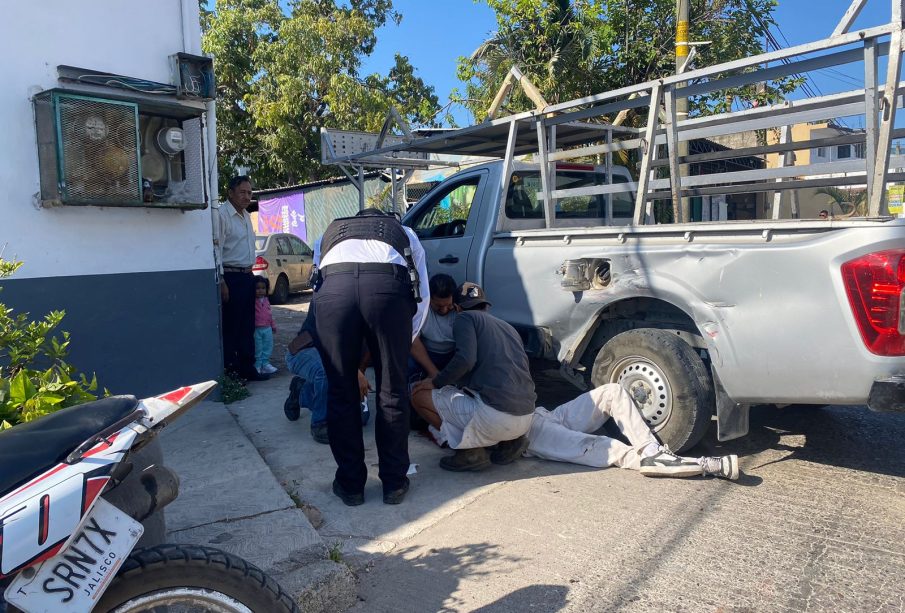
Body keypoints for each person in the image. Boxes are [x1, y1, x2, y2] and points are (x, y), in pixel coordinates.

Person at [313, 208, 429, 506]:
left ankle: (351, 486)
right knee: (392, 393)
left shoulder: (329, 231)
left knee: (341, 393)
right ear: (386, 220)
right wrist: (405, 339)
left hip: (334, 292)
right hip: (387, 290)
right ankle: (394, 484)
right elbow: (422, 294)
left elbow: (318, 284)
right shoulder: (405, 233)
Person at [411, 282, 536, 472]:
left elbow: (465, 360)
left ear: (457, 307)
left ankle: (470, 451)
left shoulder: (465, 318)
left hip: (495, 418)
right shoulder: (507, 326)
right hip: (526, 417)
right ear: (486, 305)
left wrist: (435, 382)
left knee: (418, 395)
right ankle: (509, 442)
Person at [525, 383, 739, 480]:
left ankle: (650, 449)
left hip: (542, 414)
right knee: (607, 447)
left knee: (612, 391)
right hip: (530, 435)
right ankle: (702, 465)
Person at [284, 299, 370, 444]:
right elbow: (329, 339)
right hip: (307, 350)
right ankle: (320, 423)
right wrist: (355, 372)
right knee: (325, 372)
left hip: (339, 361)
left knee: (360, 418)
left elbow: (368, 345)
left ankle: (301, 391)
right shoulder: (328, 294)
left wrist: (359, 376)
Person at [217, 175, 267, 382]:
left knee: (248, 326)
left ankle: (248, 368)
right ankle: (233, 371)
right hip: (231, 277)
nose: (247, 196)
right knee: (232, 327)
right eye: (242, 192)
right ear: (230, 193)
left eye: (250, 192)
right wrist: (221, 280)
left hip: (248, 276)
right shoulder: (222, 215)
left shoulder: (246, 215)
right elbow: (216, 248)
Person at [253, 276, 278, 375]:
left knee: (267, 346)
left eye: (263, 288)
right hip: (257, 329)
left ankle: (265, 364)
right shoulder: (253, 301)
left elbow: (269, 314)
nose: (260, 291)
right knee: (258, 348)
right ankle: (257, 365)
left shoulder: (266, 300)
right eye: (258, 288)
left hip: (267, 328)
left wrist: (273, 325)